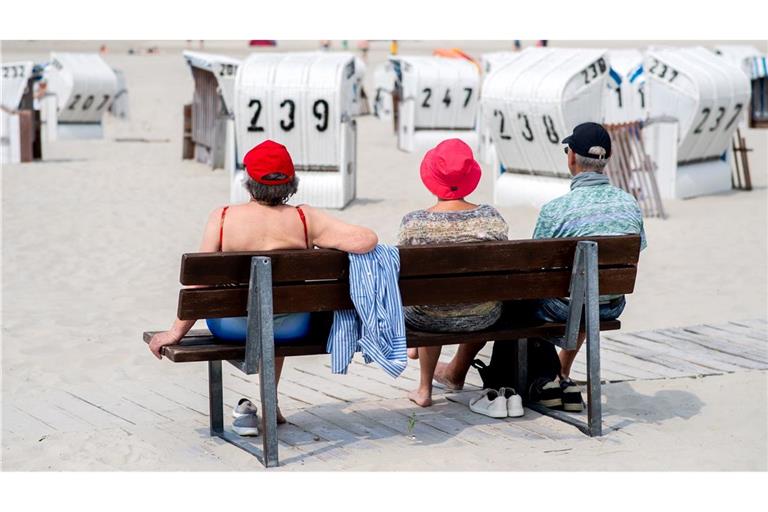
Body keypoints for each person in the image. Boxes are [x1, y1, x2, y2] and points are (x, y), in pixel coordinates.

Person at [148, 140, 378, 428]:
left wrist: (174, 332)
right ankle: (272, 402)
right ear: (291, 182)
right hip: (294, 326)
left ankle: (266, 403)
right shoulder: (306, 218)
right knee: (277, 308)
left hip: (231, 326)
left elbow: (201, 287)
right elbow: (367, 239)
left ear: (249, 182)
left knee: (266, 307)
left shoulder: (222, 218)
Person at [527, 122, 647, 411]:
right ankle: (562, 372)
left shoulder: (555, 209)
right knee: (587, 288)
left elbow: (535, 267)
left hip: (564, 307)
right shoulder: (630, 204)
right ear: (607, 159)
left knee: (543, 296)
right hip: (610, 304)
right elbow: (637, 249)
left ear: (571, 158)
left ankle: (543, 378)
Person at [398, 139, 509, 407]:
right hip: (484, 316)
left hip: (427, 318)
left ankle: (424, 389)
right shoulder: (491, 218)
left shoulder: (414, 223)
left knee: (430, 296)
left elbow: (401, 274)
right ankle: (451, 371)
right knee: (474, 295)